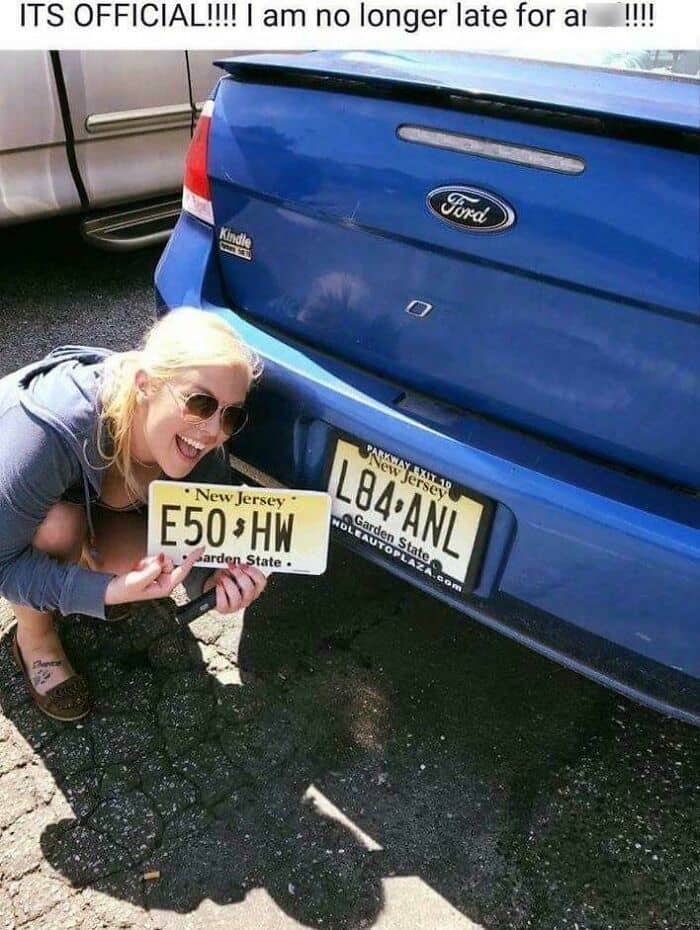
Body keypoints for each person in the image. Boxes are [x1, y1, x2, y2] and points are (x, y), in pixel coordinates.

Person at [0, 308, 268, 722]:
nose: (215, 430)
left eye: (231, 415)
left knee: (154, 562)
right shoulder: (52, 431)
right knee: (57, 530)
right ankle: (34, 638)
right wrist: (107, 592)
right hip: (19, 502)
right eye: (200, 402)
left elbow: (199, 538)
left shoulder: (205, 446)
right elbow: (3, 565)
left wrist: (212, 582)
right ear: (145, 384)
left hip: (92, 500)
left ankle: (85, 564)